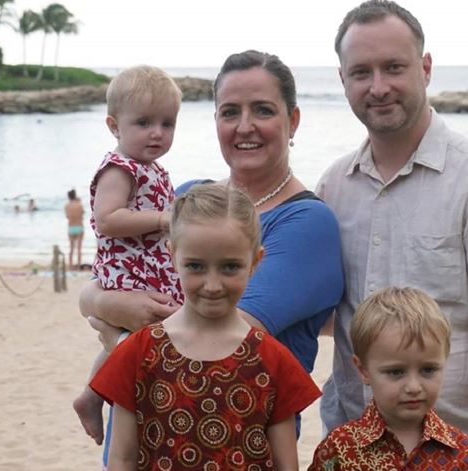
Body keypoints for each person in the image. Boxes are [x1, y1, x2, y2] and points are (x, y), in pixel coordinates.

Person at [78, 51, 344, 463]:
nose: (244, 126)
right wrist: (104, 302)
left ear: (292, 121)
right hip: (144, 441)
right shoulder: (186, 197)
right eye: (229, 112)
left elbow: (208, 337)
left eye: (263, 110)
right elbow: (105, 279)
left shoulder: (307, 223)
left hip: (237, 446)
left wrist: (118, 342)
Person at [316, 2, 468, 470]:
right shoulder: (333, 187)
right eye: (361, 72)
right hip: (353, 451)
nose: (378, 87)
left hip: (458, 454)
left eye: (393, 67)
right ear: (343, 81)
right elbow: (327, 318)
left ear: (426, 67)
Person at [90, 184, 321, 470]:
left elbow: (286, 465)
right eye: (196, 266)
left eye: (230, 267)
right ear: (173, 256)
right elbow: (122, 459)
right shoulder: (138, 353)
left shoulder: (274, 361)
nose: (213, 285)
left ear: (255, 262)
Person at [72, 65, 185, 447]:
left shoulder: (154, 168)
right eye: (144, 122)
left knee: (132, 337)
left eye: (167, 123)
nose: (157, 133)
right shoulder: (119, 168)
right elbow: (106, 220)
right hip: (127, 269)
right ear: (114, 126)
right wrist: (163, 219)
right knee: (136, 336)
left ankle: (94, 395)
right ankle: (93, 396)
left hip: (151, 268)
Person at [308, 287, 468, 470]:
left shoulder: (467, 456)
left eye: (428, 370)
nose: (413, 387)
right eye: (396, 372)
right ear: (363, 370)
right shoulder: (340, 449)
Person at [64, 189, 85, 269]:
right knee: (79, 249)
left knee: (71, 248)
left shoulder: (67, 206)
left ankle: (71, 266)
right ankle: (79, 267)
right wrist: (79, 201)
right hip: (79, 226)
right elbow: (82, 213)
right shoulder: (79, 204)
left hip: (71, 227)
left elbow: (67, 216)